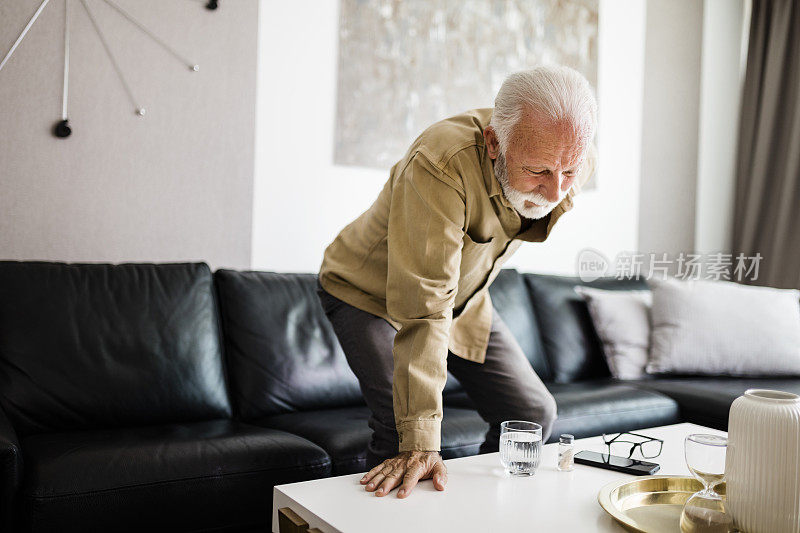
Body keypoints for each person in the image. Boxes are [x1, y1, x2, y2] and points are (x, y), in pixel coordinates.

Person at [317, 65, 597, 499]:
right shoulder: (440, 165)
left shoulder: (567, 154)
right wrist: (422, 442)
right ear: (492, 143)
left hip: (464, 298)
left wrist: (554, 171)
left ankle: (474, 511)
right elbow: (424, 303)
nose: (555, 189)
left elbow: (447, 296)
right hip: (369, 293)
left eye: (569, 172)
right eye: (539, 171)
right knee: (403, 428)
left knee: (530, 412)